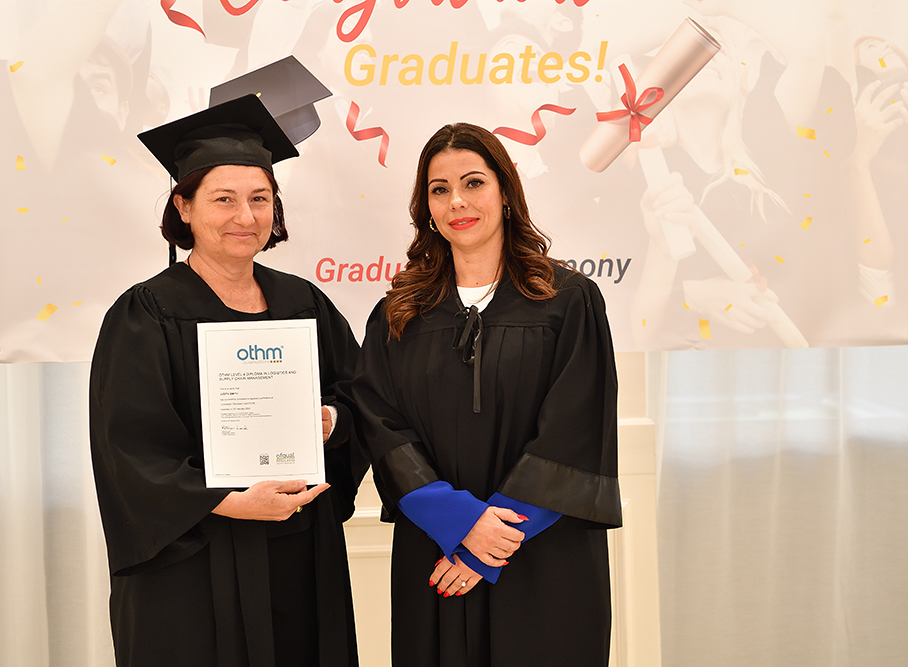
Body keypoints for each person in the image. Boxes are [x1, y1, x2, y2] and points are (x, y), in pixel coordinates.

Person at [89, 94, 362, 667]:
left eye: (260, 198)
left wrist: (331, 420)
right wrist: (227, 501)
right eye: (224, 199)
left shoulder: (302, 302)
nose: (246, 216)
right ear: (183, 206)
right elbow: (129, 449)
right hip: (193, 560)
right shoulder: (147, 313)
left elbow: (363, 397)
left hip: (297, 549)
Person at [353, 123, 622, 666]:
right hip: (436, 549)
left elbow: (577, 426)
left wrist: (488, 544)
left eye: (473, 183)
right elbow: (380, 425)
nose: (457, 201)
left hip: (542, 554)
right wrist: (456, 522)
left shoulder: (567, 301)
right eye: (440, 189)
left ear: (505, 192)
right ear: (426, 208)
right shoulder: (398, 314)